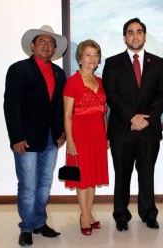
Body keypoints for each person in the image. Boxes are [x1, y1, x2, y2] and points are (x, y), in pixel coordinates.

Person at [4, 25, 68, 246]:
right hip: (26, 139)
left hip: (51, 138)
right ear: (32, 45)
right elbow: (11, 106)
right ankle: (27, 227)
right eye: (42, 41)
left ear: (54, 50)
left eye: (51, 43)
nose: (46, 45)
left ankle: (40, 223)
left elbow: (59, 107)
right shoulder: (18, 69)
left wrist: (62, 132)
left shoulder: (60, 73)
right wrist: (16, 137)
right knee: (28, 185)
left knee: (44, 183)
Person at [102, 18, 163, 231]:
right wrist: (132, 118)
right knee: (122, 176)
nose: (135, 35)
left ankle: (149, 214)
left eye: (139, 31)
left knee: (147, 174)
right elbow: (112, 96)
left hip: (148, 130)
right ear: (124, 37)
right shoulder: (112, 63)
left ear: (145, 36)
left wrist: (144, 120)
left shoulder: (158, 63)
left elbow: (161, 95)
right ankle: (121, 216)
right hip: (122, 130)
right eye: (130, 32)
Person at [63, 39, 109, 236]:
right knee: (82, 177)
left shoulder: (99, 81)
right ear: (80, 58)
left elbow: (103, 112)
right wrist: (70, 141)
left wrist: (106, 136)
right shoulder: (72, 82)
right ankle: (83, 216)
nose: (92, 58)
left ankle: (89, 214)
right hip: (80, 135)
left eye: (95, 54)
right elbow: (66, 114)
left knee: (92, 177)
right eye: (88, 54)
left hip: (98, 134)